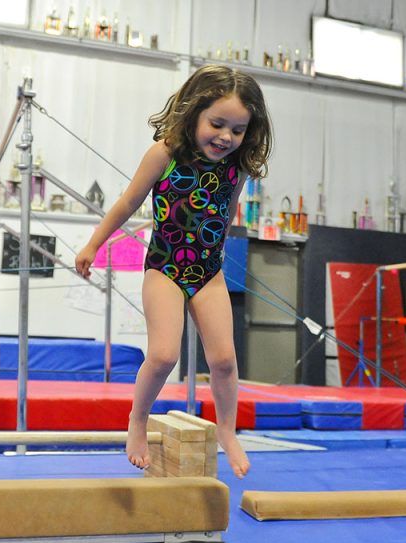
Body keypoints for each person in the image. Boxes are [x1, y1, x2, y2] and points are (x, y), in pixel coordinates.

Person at [75, 64, 272, 479]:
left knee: (223, 360)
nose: (225, 137)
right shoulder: (164, 153)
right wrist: (94, 244)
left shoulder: (236, 169)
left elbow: (228, 210)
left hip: (208, 272)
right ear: (194, 112)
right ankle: (138, 421)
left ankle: (228, 431)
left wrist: (214, 254)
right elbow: (128, 203)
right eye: (217, 124)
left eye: (237, 130)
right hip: (165, 266)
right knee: (164, 354)